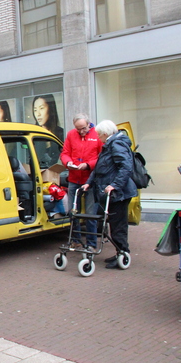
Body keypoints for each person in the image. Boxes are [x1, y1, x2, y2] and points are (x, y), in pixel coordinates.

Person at [82, 120, 137, 269]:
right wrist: (89, 182)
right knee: (115, 224)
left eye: (99, 135)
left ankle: (123, 253)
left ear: (106, 134)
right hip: (113, 191)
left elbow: (126, 167)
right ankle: (120, 252)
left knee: (118, 225)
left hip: (119, 193)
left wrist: (114, 185)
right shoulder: (110, 145)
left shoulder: (116, 145)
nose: (98, 138)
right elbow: (99, 168)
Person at [60, 114, 103, 251]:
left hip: (90, 180)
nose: (81, 132)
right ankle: (75, 240)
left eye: (83, 128)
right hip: (74, 178)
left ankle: (91, 244)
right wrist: (68, 162)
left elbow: (102, 157)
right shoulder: (71, 134)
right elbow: (65, 153)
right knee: (73, 212)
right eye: (78, 129)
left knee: (90, 213)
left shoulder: (97, 135)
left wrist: (88, 165)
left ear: (89, 124)